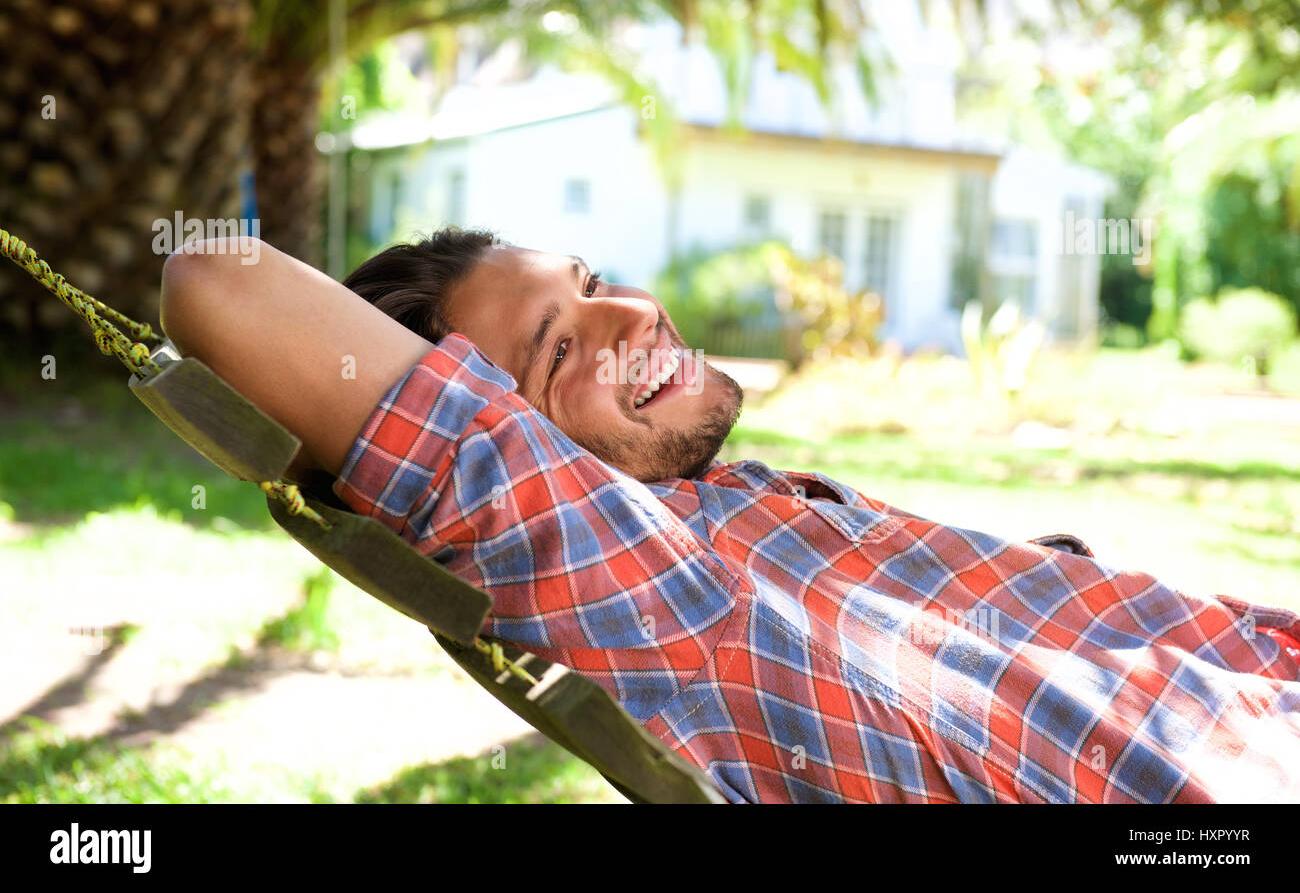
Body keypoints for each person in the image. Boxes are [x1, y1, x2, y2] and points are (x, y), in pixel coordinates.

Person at [160, 227, 1300, 803]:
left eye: (593, 278)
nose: (633, 314)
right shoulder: (639, 582)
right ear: (511, 458)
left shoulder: (721, 510)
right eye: (560, 351)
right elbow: (215, 279)